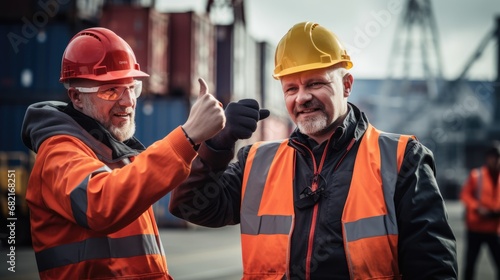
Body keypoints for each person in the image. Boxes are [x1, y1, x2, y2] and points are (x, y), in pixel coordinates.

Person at [169, 21, 458, 279]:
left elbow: (433, 268)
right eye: (291, 88)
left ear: (346, 85)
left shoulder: (402, 158)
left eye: (315, 83)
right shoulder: (256, 162)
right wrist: (217, 145)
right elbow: (189, 206)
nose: (302, 97)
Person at [21, 27, 225, 280]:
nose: (128, 101)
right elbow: (102, 203)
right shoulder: (58, 154)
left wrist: (219, 143)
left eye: (132, 87)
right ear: (76, 97)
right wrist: (187, 136)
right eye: (111, 90)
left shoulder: (118, 154)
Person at [460, 141, 500, 280]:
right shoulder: (476, 175)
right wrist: (478, 208)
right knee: (470, 265)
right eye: (494, 156)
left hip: (494, 228)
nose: (496, 160)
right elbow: (465, 195)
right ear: (488, 158)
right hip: (476, 227)